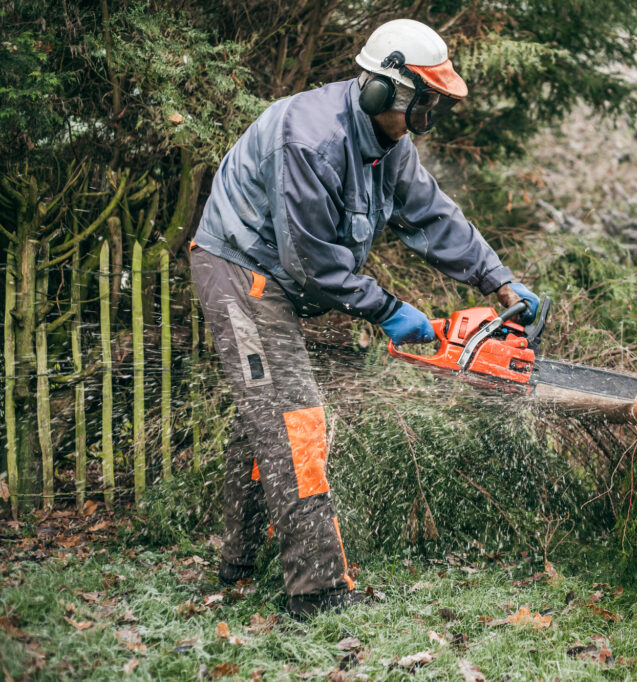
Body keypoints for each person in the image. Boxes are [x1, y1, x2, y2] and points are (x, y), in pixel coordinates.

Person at [189, 18, 539, 619]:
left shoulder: (389, 145)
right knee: (296, 421)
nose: (427, 115)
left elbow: (432, 215)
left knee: (264, 420)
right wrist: (389, 310)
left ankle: (238, 564)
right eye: (422, 102)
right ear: (384, 90)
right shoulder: (310, 139)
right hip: (240, 271)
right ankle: (317, 591)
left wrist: (496, 277)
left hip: (287, 274)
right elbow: (313, 262)